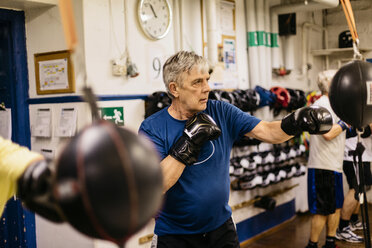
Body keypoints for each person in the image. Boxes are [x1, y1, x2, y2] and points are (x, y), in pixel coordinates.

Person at [139, 51, 333, 248]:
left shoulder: (221, 111)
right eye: (197, 82)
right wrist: (187, 143)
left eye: (207, 80)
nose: (207, 88)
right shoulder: (152, 128)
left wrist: (296, 123)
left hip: (221, 229)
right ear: (175, 89)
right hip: (175, 236)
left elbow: (267, 131)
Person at [305, 70, 348, 248]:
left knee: (337, 207)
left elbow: (343, 130)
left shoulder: (335, 105)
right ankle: (312, 245)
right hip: (321, 165)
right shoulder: (319, 106)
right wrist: (346, 122)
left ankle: (330, 242)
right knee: (322, 210)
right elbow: (328, 134)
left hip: (335, 164)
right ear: (330, 85)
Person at [335, 123, 372, 243]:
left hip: (364, 154)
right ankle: (342, 227)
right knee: (355, 189)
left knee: (362, 188)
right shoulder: (360, 106)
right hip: (354, 154)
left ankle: (353, 220)